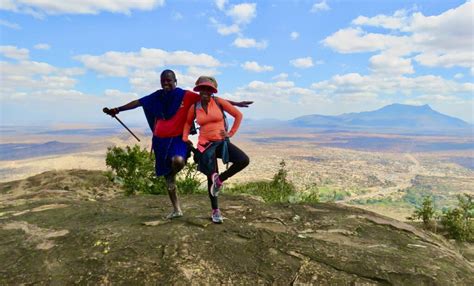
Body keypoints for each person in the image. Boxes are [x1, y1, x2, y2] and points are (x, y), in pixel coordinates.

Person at [103, 70, 252, 219]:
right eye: (163, 80)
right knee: (170, 179)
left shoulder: (185, 95)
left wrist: (235, 103)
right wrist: (117, 110)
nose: (166, 83)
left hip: (179, 140)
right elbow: (138, 102)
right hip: (161, 142)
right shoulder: (157, 96)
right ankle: (177, 210)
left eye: (169, 80)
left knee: (178, 162)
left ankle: (183, 172)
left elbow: (210, 97)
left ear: (176, 81)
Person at [182, 76, 250, 224]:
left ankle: (220, 180)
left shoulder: (219, 102)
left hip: (221, 143)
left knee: (243, 160)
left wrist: (230, 133)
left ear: (212, 91)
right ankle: (215, 210)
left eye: (208, 89)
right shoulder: (195, 107)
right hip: (205, 145)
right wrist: (185, 137)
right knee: (210, 176)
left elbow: (238, 115)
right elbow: (187, 123)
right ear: (199, 90)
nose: (205, 91)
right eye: (202, 89)